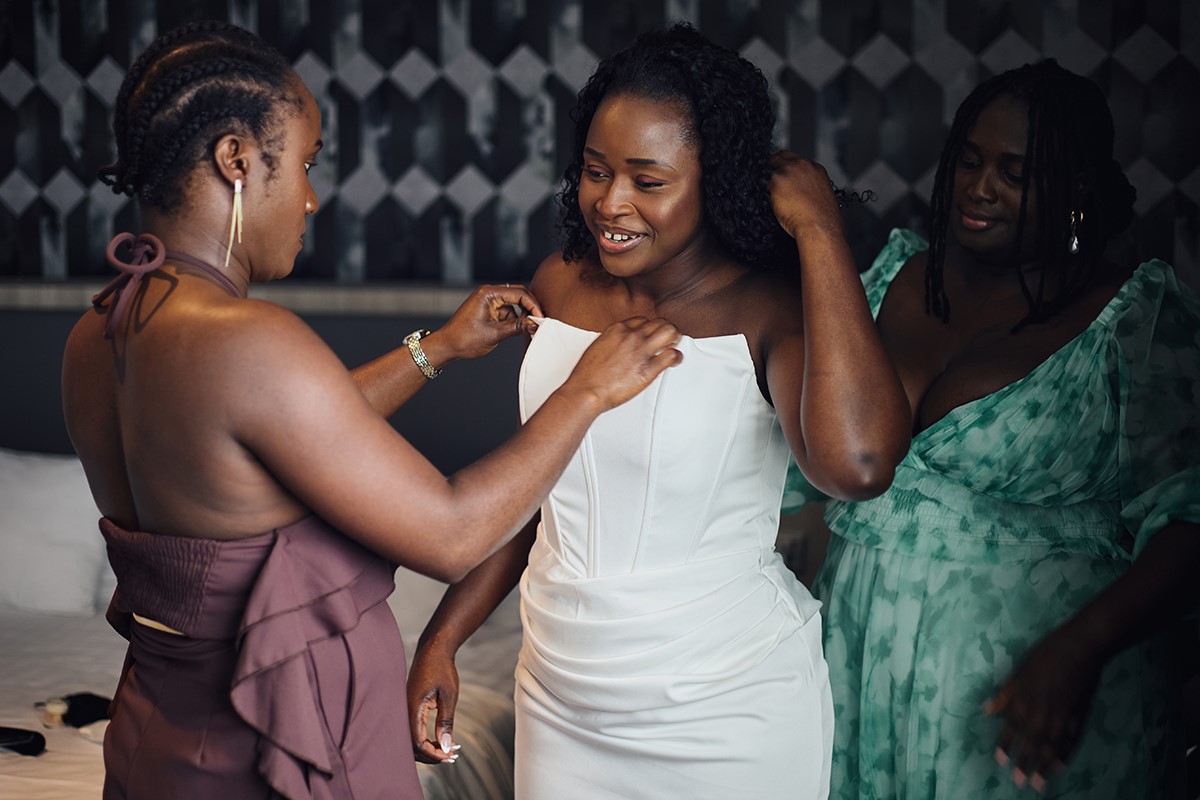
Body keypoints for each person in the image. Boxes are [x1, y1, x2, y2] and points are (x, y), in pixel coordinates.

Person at [61, 20, 683, 800]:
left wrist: (444, 348)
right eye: (306, 164)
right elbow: (453, 535)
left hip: (162, 740)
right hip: (267, 754)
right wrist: (587, 391)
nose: (313, 199)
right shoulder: (248, 340)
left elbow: (277, 436)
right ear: (237, 161)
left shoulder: (103, 326)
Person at [405, 23, 911, 799]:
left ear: (717, 183)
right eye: (596, 171)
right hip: (560, 703)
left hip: (726, 709)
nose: (611, 203)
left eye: (649, 181)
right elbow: (537, 494)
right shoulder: (563, 282)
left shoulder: (768, 310)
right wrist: (442, 638)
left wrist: (817, 230)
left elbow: (861, 465)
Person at [781, 59, 1200, 798]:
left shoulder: (1135, 318)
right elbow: (800, 453)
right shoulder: (893, 276)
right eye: (969, 161)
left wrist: (1080, 650)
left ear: (1074, 190)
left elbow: (1191, 519)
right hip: (862, 661)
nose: (978, 188)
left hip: (1034, 697)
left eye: (1015, 171)